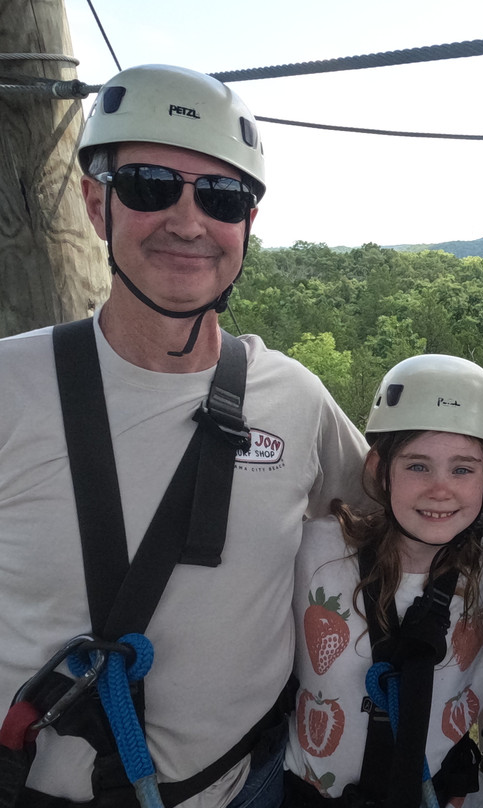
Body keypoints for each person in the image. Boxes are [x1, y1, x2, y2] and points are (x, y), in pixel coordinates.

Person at [0, 65, 368, 806]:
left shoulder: (294, 399)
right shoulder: (12, 387)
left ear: (247, 225)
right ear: (95, 204)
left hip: (245, 784)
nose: (189, 221)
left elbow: (406, 510)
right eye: (150, 185)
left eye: (222, 196)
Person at [284, 354, 483, 807]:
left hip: (439, 793)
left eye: (463, 469)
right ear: (379, 470)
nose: (440, 489)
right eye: (417, 466)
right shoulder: (313, 552)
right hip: (311, 794)